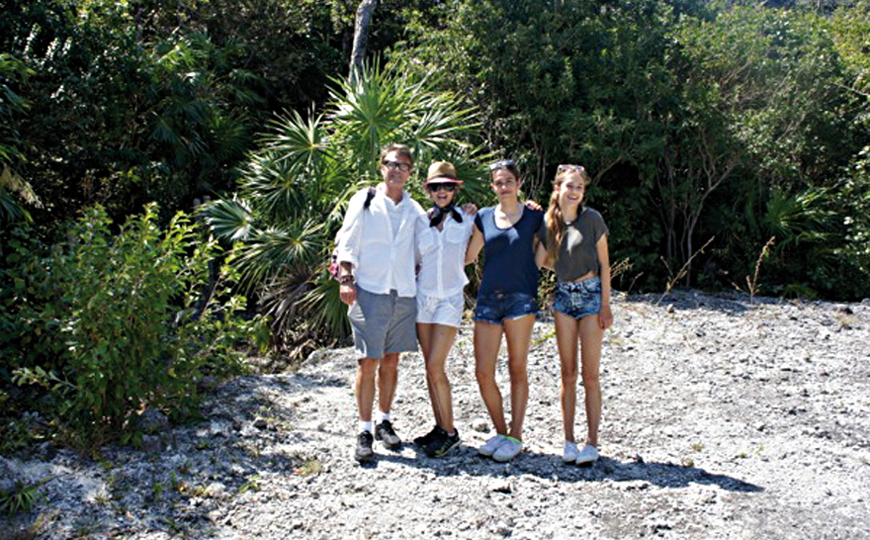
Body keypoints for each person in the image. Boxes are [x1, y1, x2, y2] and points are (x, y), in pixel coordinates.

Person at [334, 143, 425, 463]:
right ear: (381, 167)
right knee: (367, 362)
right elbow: (347, 239)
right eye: (391, 163)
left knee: (390, 361)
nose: (397, 169)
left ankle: (385, 420)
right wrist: (346, 279)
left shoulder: (415, 210)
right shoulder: (365, 199)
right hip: (369, 289)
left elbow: (429, 245)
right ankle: (364, 429)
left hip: (403, 293)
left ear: (410, 172)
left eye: (403, 165)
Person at [465, 159, 545, 462]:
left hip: (521, 299)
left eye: (508, 181)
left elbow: (552, 244)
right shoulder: (484, 217)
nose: (503, 187)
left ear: (518, 183)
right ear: (492, 186)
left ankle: (516, 434)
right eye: (498, 182)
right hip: (487, 299)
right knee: (483, 372)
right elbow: (469, 256)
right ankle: (501, 431)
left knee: (516, 367)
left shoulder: (534, 217)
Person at [535, 164, 613, 465]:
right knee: (568, 374)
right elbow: (539, 260)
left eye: (579, 187)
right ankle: (568, 441)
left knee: (590, 376)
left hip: (592, 296)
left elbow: (606, 265)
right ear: (558, 188)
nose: (574, 191)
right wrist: (562, 268)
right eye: (569, 186)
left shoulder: (592, 219)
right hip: (564, 298)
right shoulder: (549, 222)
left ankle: (592, 442)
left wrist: (606, 305)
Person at [412, 161, 475, 457]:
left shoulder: (468, 218)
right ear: (428, 190)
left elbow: (503, 218)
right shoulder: (418, 222)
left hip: (450, 299)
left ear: (454, 189)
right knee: (429, 367)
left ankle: (451, 433)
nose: (442, 191)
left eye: (447, 186)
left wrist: (530, 208)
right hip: (423, 299)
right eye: (436, 186)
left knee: (436, 365)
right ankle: (439, 427)